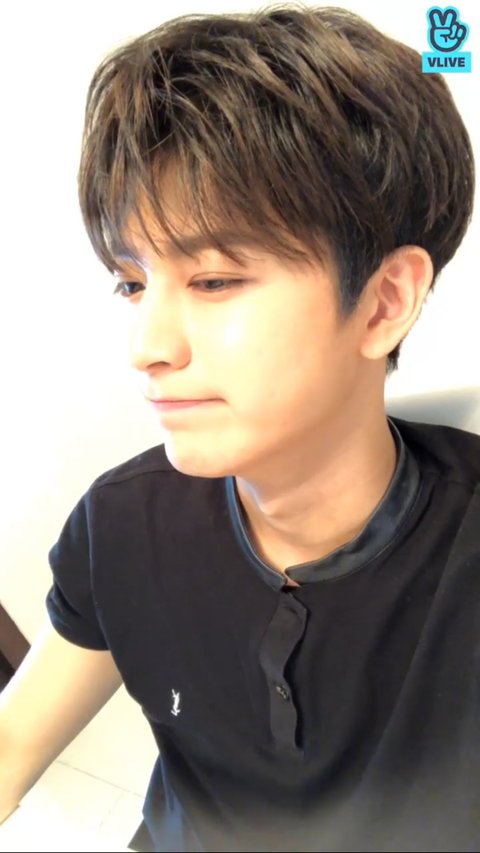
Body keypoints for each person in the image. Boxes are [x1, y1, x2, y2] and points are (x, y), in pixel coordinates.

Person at [1, 3, 478, 851]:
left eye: (215, 280)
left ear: (384, 302)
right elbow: (11, 740)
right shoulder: (123, 521)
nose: (146, 347)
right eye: (132, 283)